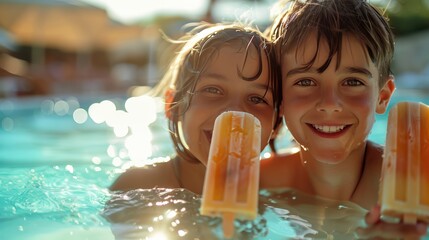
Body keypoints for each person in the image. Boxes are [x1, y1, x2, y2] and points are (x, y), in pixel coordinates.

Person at [260, 0, 428, 238]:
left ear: (383, 96)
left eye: (352, 82)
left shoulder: (414, 186)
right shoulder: (260, 181)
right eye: (306, 82)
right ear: (280, 97)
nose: (329, 104)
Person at [109, 22, 282, 194]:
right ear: (172, 106)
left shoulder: (279, 190)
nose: (234, 112)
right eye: (213, 90)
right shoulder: (138, 187)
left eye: (256, 99)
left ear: (277, 123)